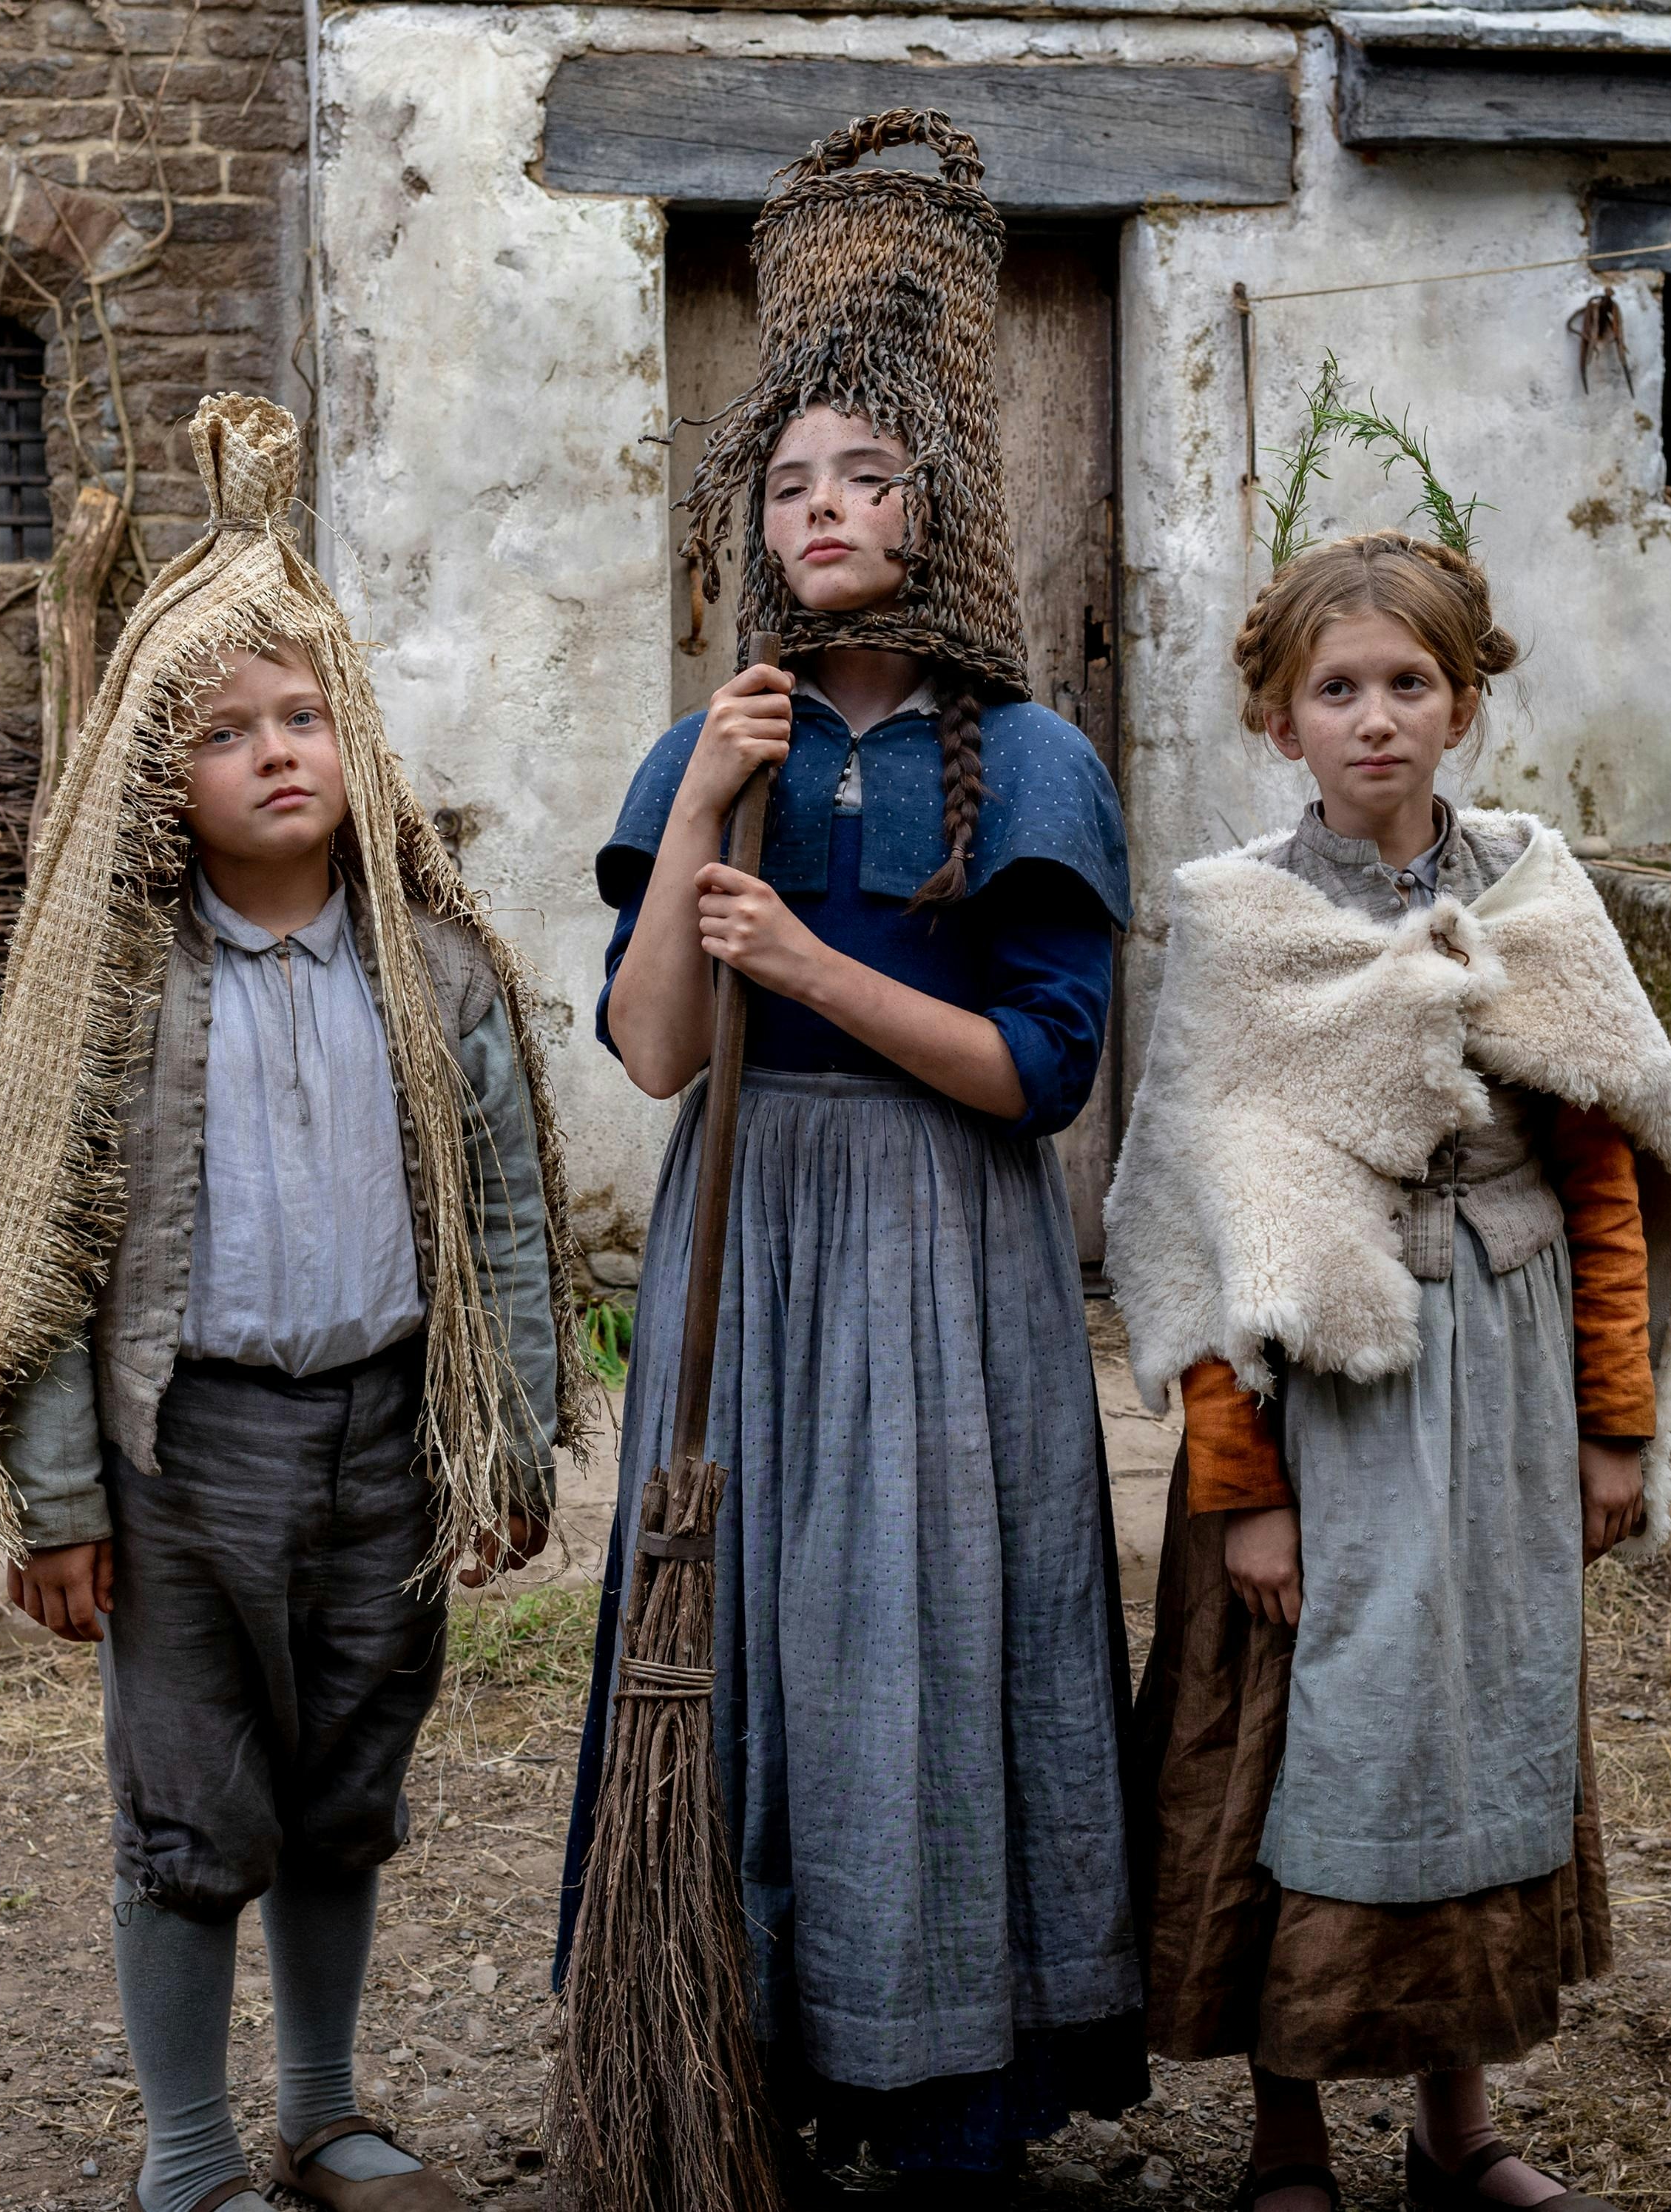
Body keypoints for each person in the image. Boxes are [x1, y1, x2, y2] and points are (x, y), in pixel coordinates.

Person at [0, 394, 596, 2212]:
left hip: (384, 1438)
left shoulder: (435, 968)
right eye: (223, 732)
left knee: (346, 1789)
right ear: (160, 772)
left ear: (353, 733)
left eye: (303, 716)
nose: (275, 753)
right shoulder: (118, 992)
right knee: (192, 1806)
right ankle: (190, 2155)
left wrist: (509, 1436)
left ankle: (323, 2111)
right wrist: (57, 1495)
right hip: (186, 1456)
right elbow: (49, 1246)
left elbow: (503, 1224)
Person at [555, 109, 1145, 2189]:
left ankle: (946, 2078)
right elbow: (652, 1054)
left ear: (938, 508)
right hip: (745, 1237)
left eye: (863, 475)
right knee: (753, 1642)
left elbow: (1041, 1075)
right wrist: (706, 813)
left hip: (941, 1237)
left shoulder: (1036, 764)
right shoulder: (710, 748)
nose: (821, 508)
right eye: (789, 482)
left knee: (929, 1628)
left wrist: (811, 959)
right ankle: (746, 2057)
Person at [1105, 530, 1671, 2212]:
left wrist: (1617, 1424)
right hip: (1319, 1414)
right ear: (1277, 716)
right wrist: (1243, 1494)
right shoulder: (1244, 928)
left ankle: (1460, 2130)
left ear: (1462, 703)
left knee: (1476, 1722)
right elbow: (1201, 1232)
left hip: (1502, 1390)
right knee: (1303, 1739)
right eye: (1336, 689)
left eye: (1408, 683)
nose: (1373, 717)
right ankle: (1288, 2135)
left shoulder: (1533, 897)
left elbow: (1605, 1173)